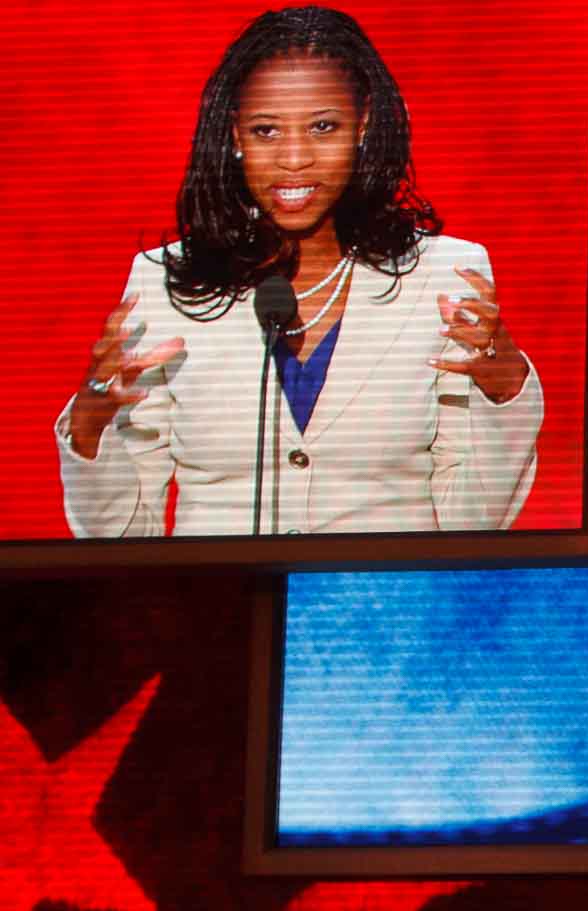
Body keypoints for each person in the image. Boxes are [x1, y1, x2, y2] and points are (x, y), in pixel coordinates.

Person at [56, 6, 541, 537]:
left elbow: (472, 525)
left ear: (364, 125)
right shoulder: (162, 285)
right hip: (227, 609)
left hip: (385, 610)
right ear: (235, 137)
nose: (293, 158)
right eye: (266, 131)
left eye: (322, 127)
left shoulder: (446, 276)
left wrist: (505, 388)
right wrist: (88, 423)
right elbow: (128, 541)